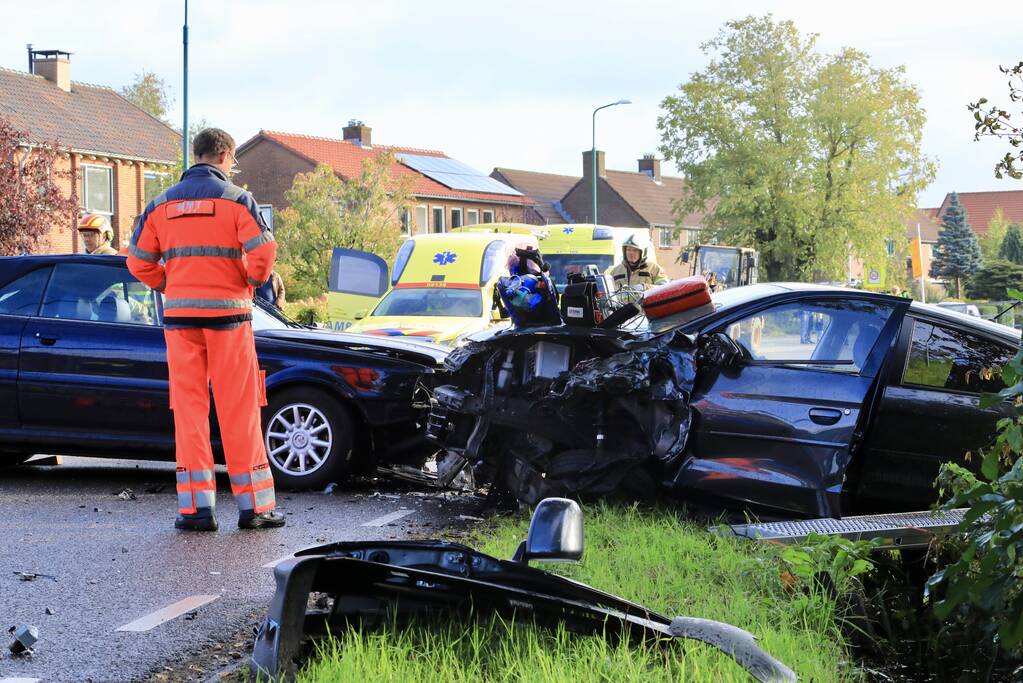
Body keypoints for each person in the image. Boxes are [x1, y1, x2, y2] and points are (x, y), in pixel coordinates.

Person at [127, 128, 285, 532]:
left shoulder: (160, 205)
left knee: (190, 412)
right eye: (233, 161)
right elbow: (263, 251)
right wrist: (249, 280)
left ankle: (196, 510)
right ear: (224, 155)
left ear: (195, 155)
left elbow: (138, 261)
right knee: (239, 409)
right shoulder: (237, 200)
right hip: (229, 321)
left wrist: (171, 283)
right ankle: (255, 509)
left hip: (181, 324)